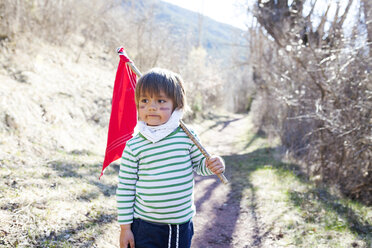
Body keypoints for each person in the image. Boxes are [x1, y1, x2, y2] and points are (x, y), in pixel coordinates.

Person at [117, 68, 225, 248]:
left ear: (176, 105)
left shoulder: (186, 136)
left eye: (160, 101)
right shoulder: (134, 145)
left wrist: (213, 164)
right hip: (144, 225)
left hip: (179, 225)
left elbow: (200, 165)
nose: (152, 106)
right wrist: (125, 228)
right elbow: (126, 188)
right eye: (145, 100)